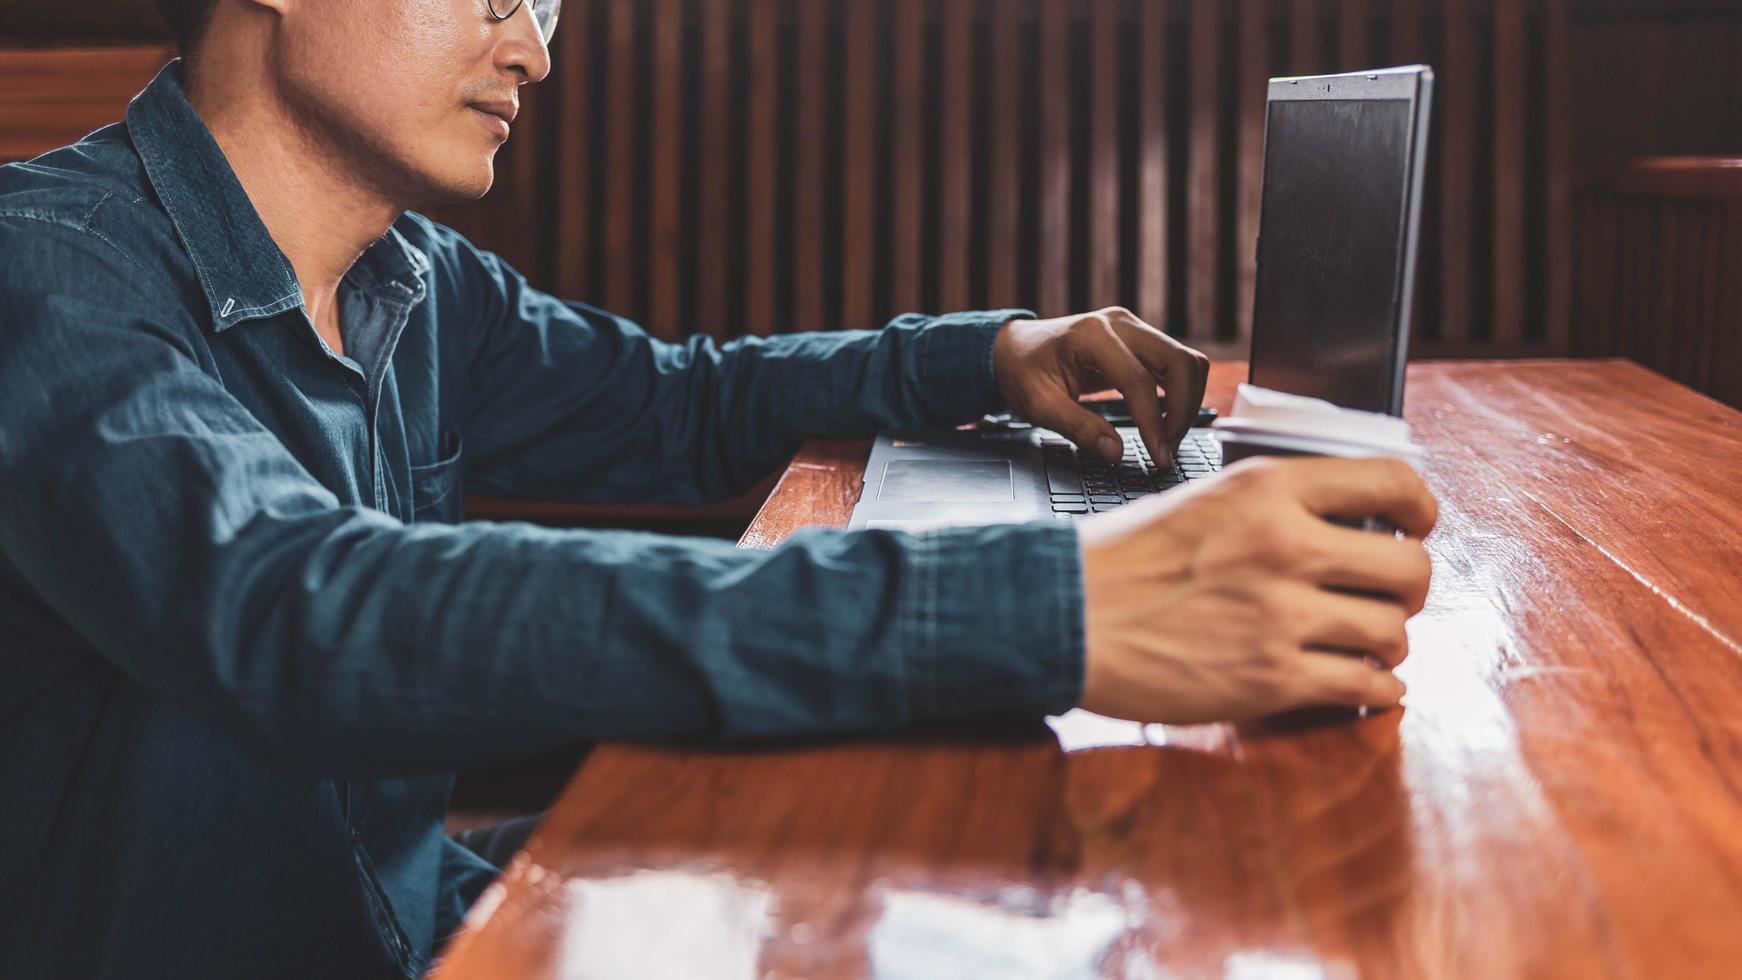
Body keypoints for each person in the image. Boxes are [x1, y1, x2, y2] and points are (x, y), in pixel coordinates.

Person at [0, 0, 1437, 975]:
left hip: (414, 918)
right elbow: (300, 612)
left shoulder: (418, 285)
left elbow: (682, 408)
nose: (535, 52)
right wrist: (1049, 603)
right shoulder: (48, 269)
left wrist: (990, 356)